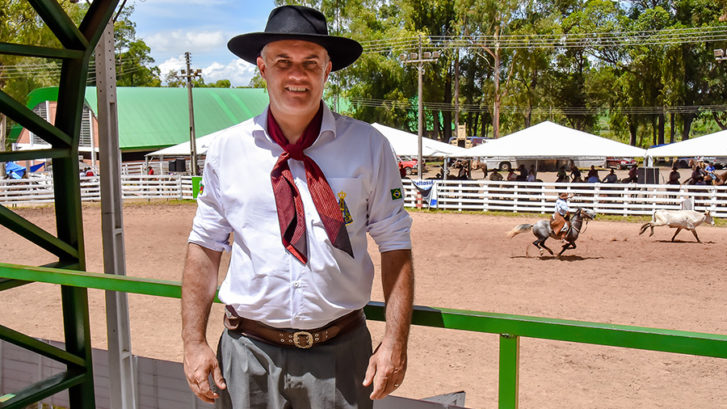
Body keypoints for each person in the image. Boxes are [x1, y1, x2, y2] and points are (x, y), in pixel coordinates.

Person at [181, 6, 414, 409]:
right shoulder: (226, 150)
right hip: (247, 354)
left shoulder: (368, 146)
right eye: (283, 62)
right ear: (262, 68)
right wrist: (193, 342)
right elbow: (205, 247)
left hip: (342, 355)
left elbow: (396, 245)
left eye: (310, 63)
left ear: (327, 71)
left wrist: (395, 342)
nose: (297, 75)